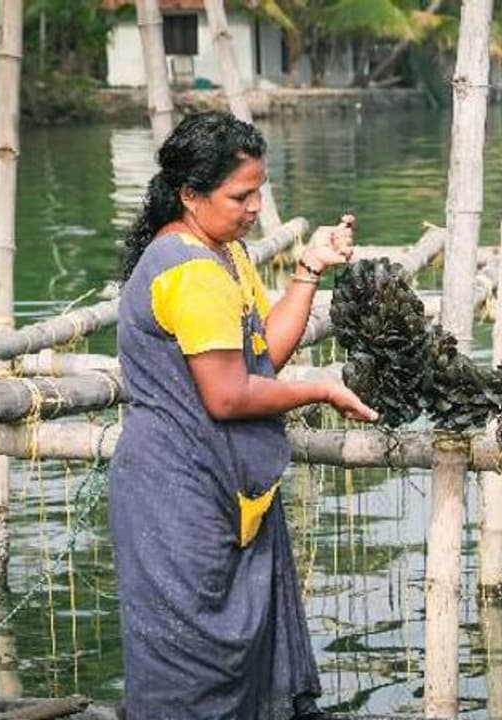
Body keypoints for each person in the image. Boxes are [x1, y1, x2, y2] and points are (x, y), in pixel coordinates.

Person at [109, 111, 377, 720]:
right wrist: (322, 392)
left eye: (259, 190)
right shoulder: (191, 272)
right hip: (176, 493)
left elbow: (263, 356)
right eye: (240, 195)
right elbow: (229, 395)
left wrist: (309, 269)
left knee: (238, 655)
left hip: (221, 483)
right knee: (192, 664)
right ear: (189, 194)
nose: (255, 207)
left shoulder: (224, 253)